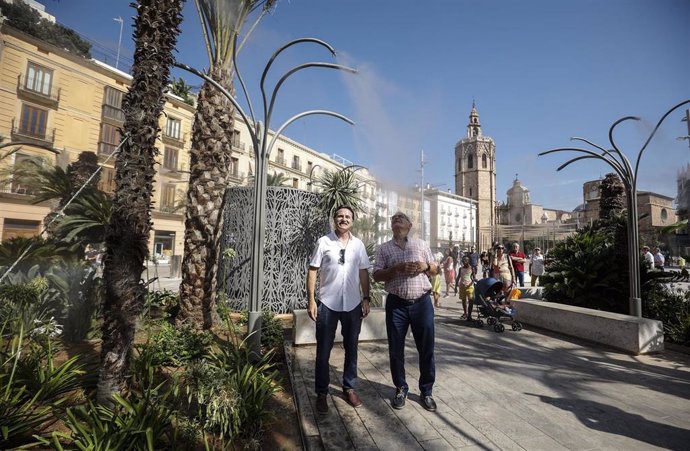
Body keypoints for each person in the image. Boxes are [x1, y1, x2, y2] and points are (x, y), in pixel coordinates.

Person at [307, 206, 371, 415]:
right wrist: (311, 301)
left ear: (353, 221)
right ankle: (322, 393)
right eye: (340, 216)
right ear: (334, 219)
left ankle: (348, 387)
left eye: (347, 217)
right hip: (327, 303)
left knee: (351, 348)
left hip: (352, 304)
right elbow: (313, 270)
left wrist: (366, 298)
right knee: (323, 351)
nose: (344, 219)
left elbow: (363, 273)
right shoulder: (323, 242)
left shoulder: (359, 245)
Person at [373, 211, 438, 412]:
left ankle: (426, 391)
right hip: (397, 304)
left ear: (409, 225)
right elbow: (376, 275)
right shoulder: (383, 248)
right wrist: (396, 269)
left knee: (426, 348)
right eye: (393, 219)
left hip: (422, 303)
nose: (396, 220)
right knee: (395, 349)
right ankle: (401, 388)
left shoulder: (421, 244)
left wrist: (425, 265)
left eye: (400, 218)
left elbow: (436, 269)